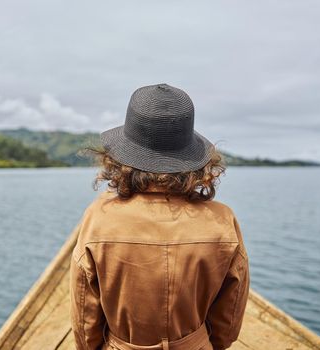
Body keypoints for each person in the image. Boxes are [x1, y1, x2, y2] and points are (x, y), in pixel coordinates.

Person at [69, 83, 250, 350]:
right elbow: (229, 319)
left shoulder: (99, 217)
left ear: (121, 157)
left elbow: (85, 318)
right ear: (193, 158)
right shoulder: (222, 220)